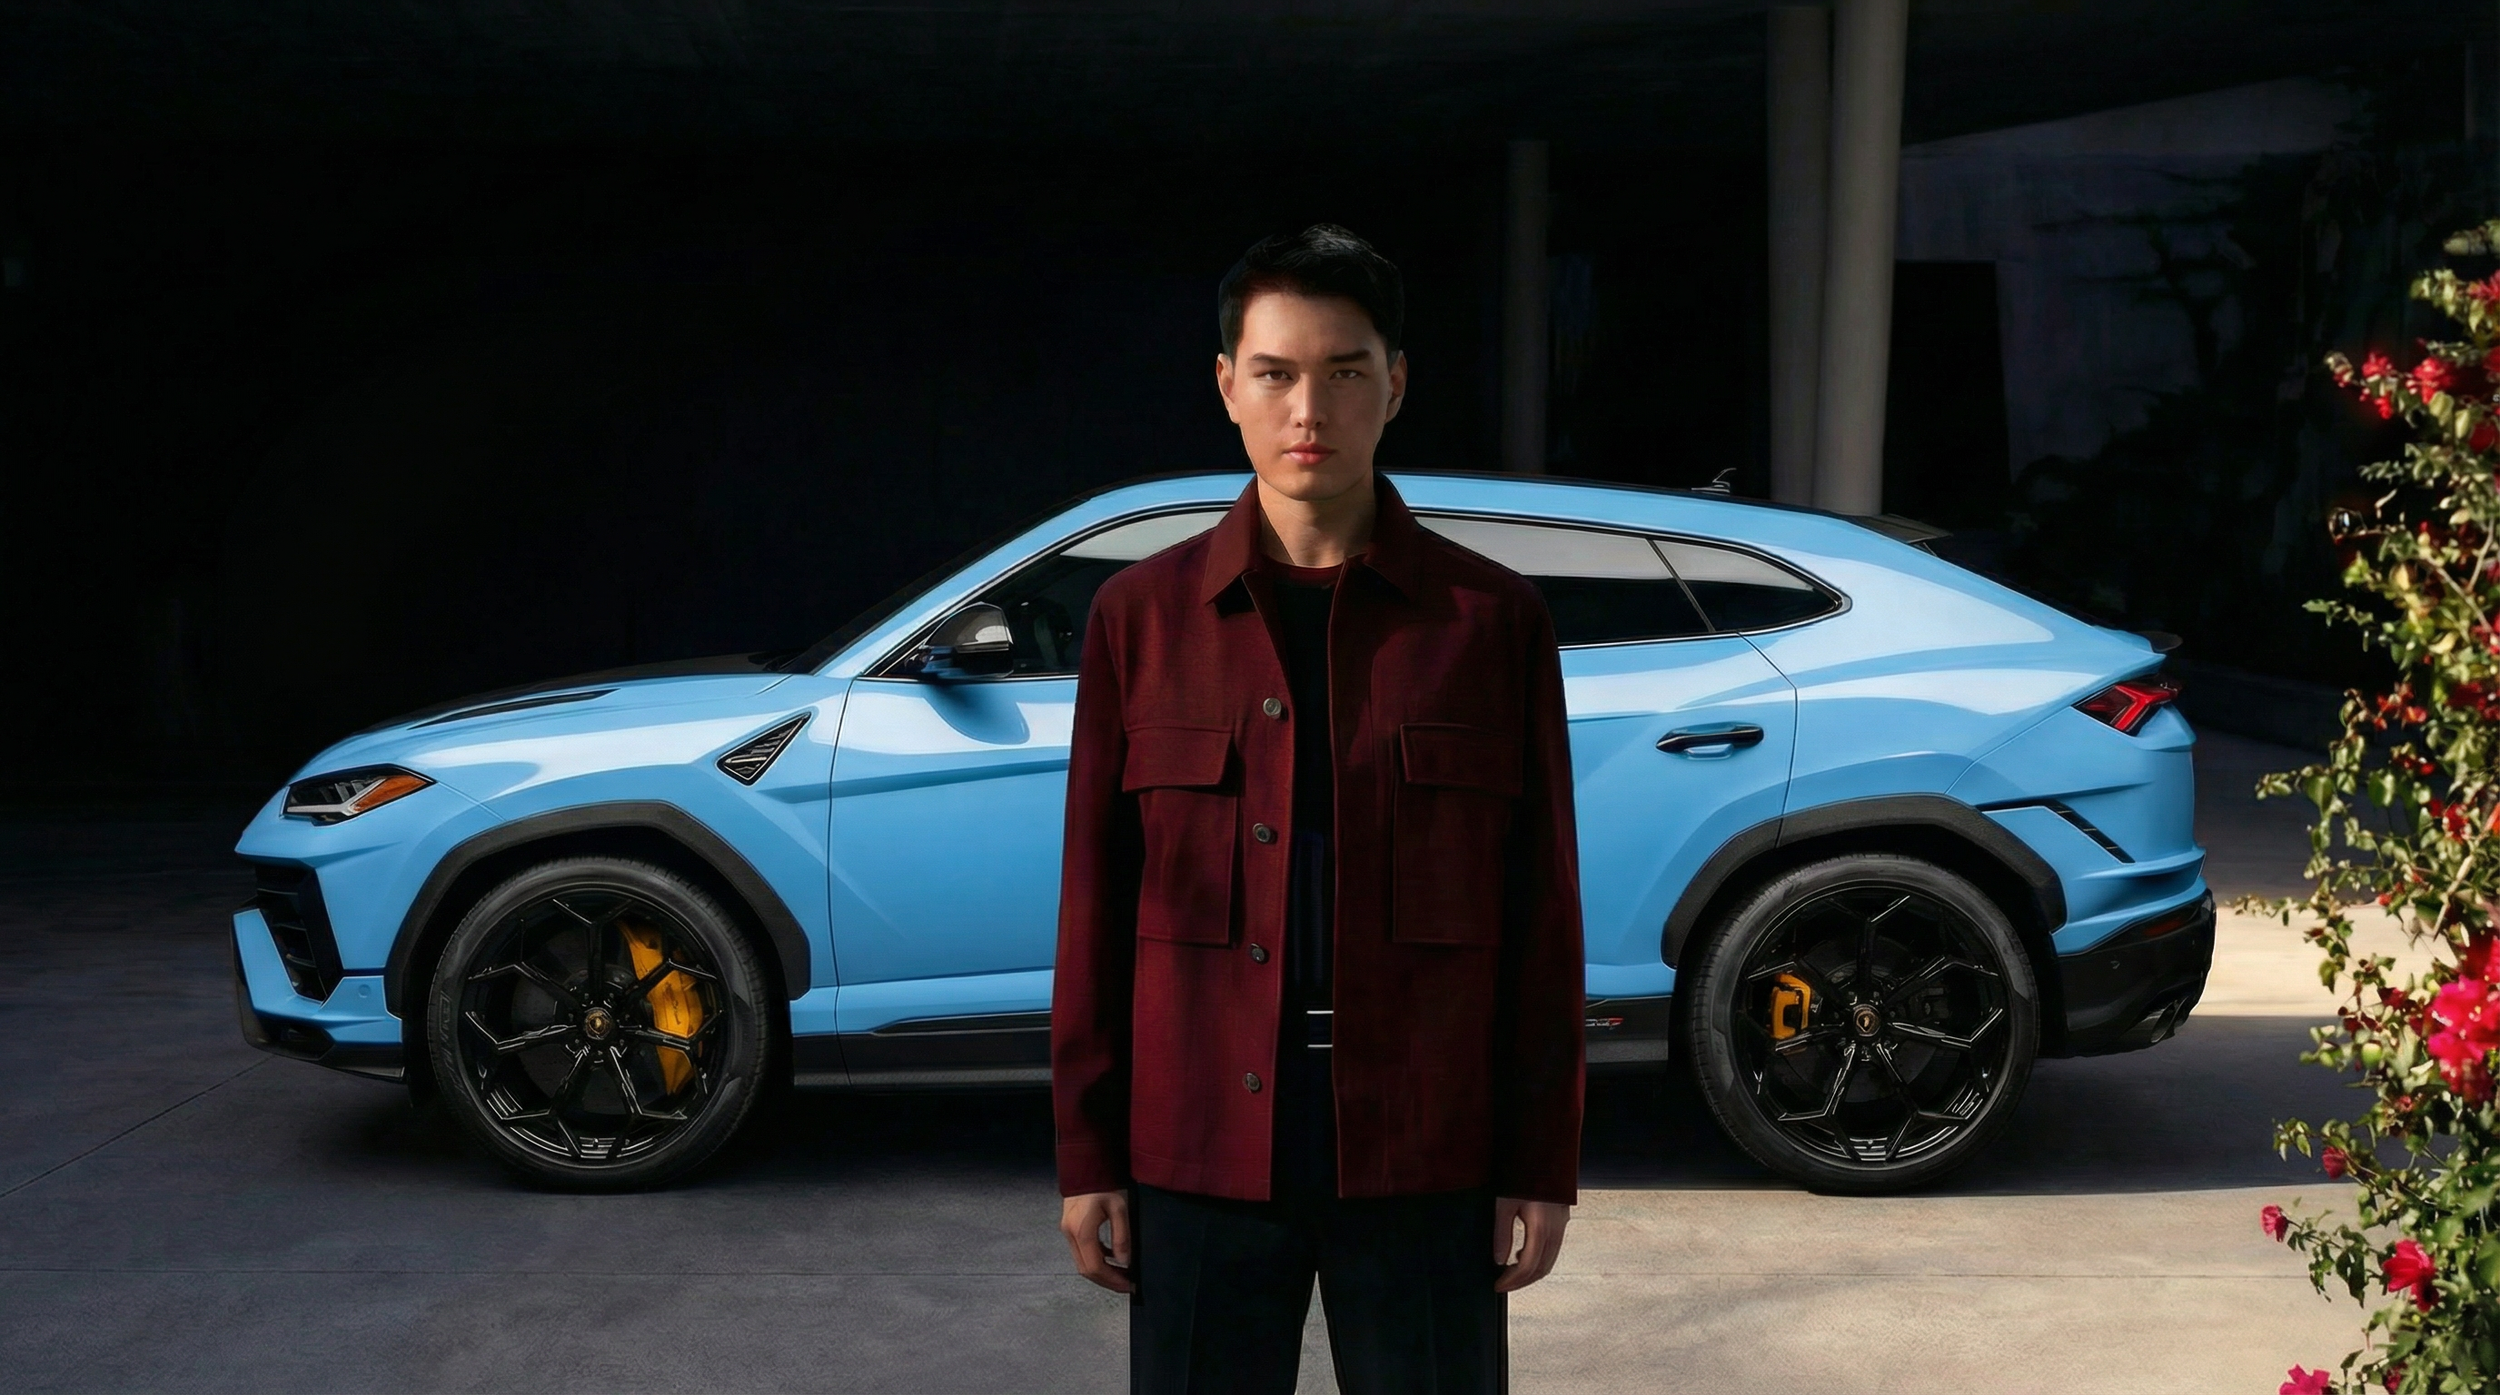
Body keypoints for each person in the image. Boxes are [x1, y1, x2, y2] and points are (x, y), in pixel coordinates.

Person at [1051, 223, 1585, 1394]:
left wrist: (1538, 1161)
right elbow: (1094, 910)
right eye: (1278, 373)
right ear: (1226, 387)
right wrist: (1088, 1154)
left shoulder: (1488, 625)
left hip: (1422, 1145)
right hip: (1197, 1144)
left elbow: (1540, 918)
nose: (1311, 409)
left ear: (1394, 386)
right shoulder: (1139, 622)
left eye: (1345, 373)